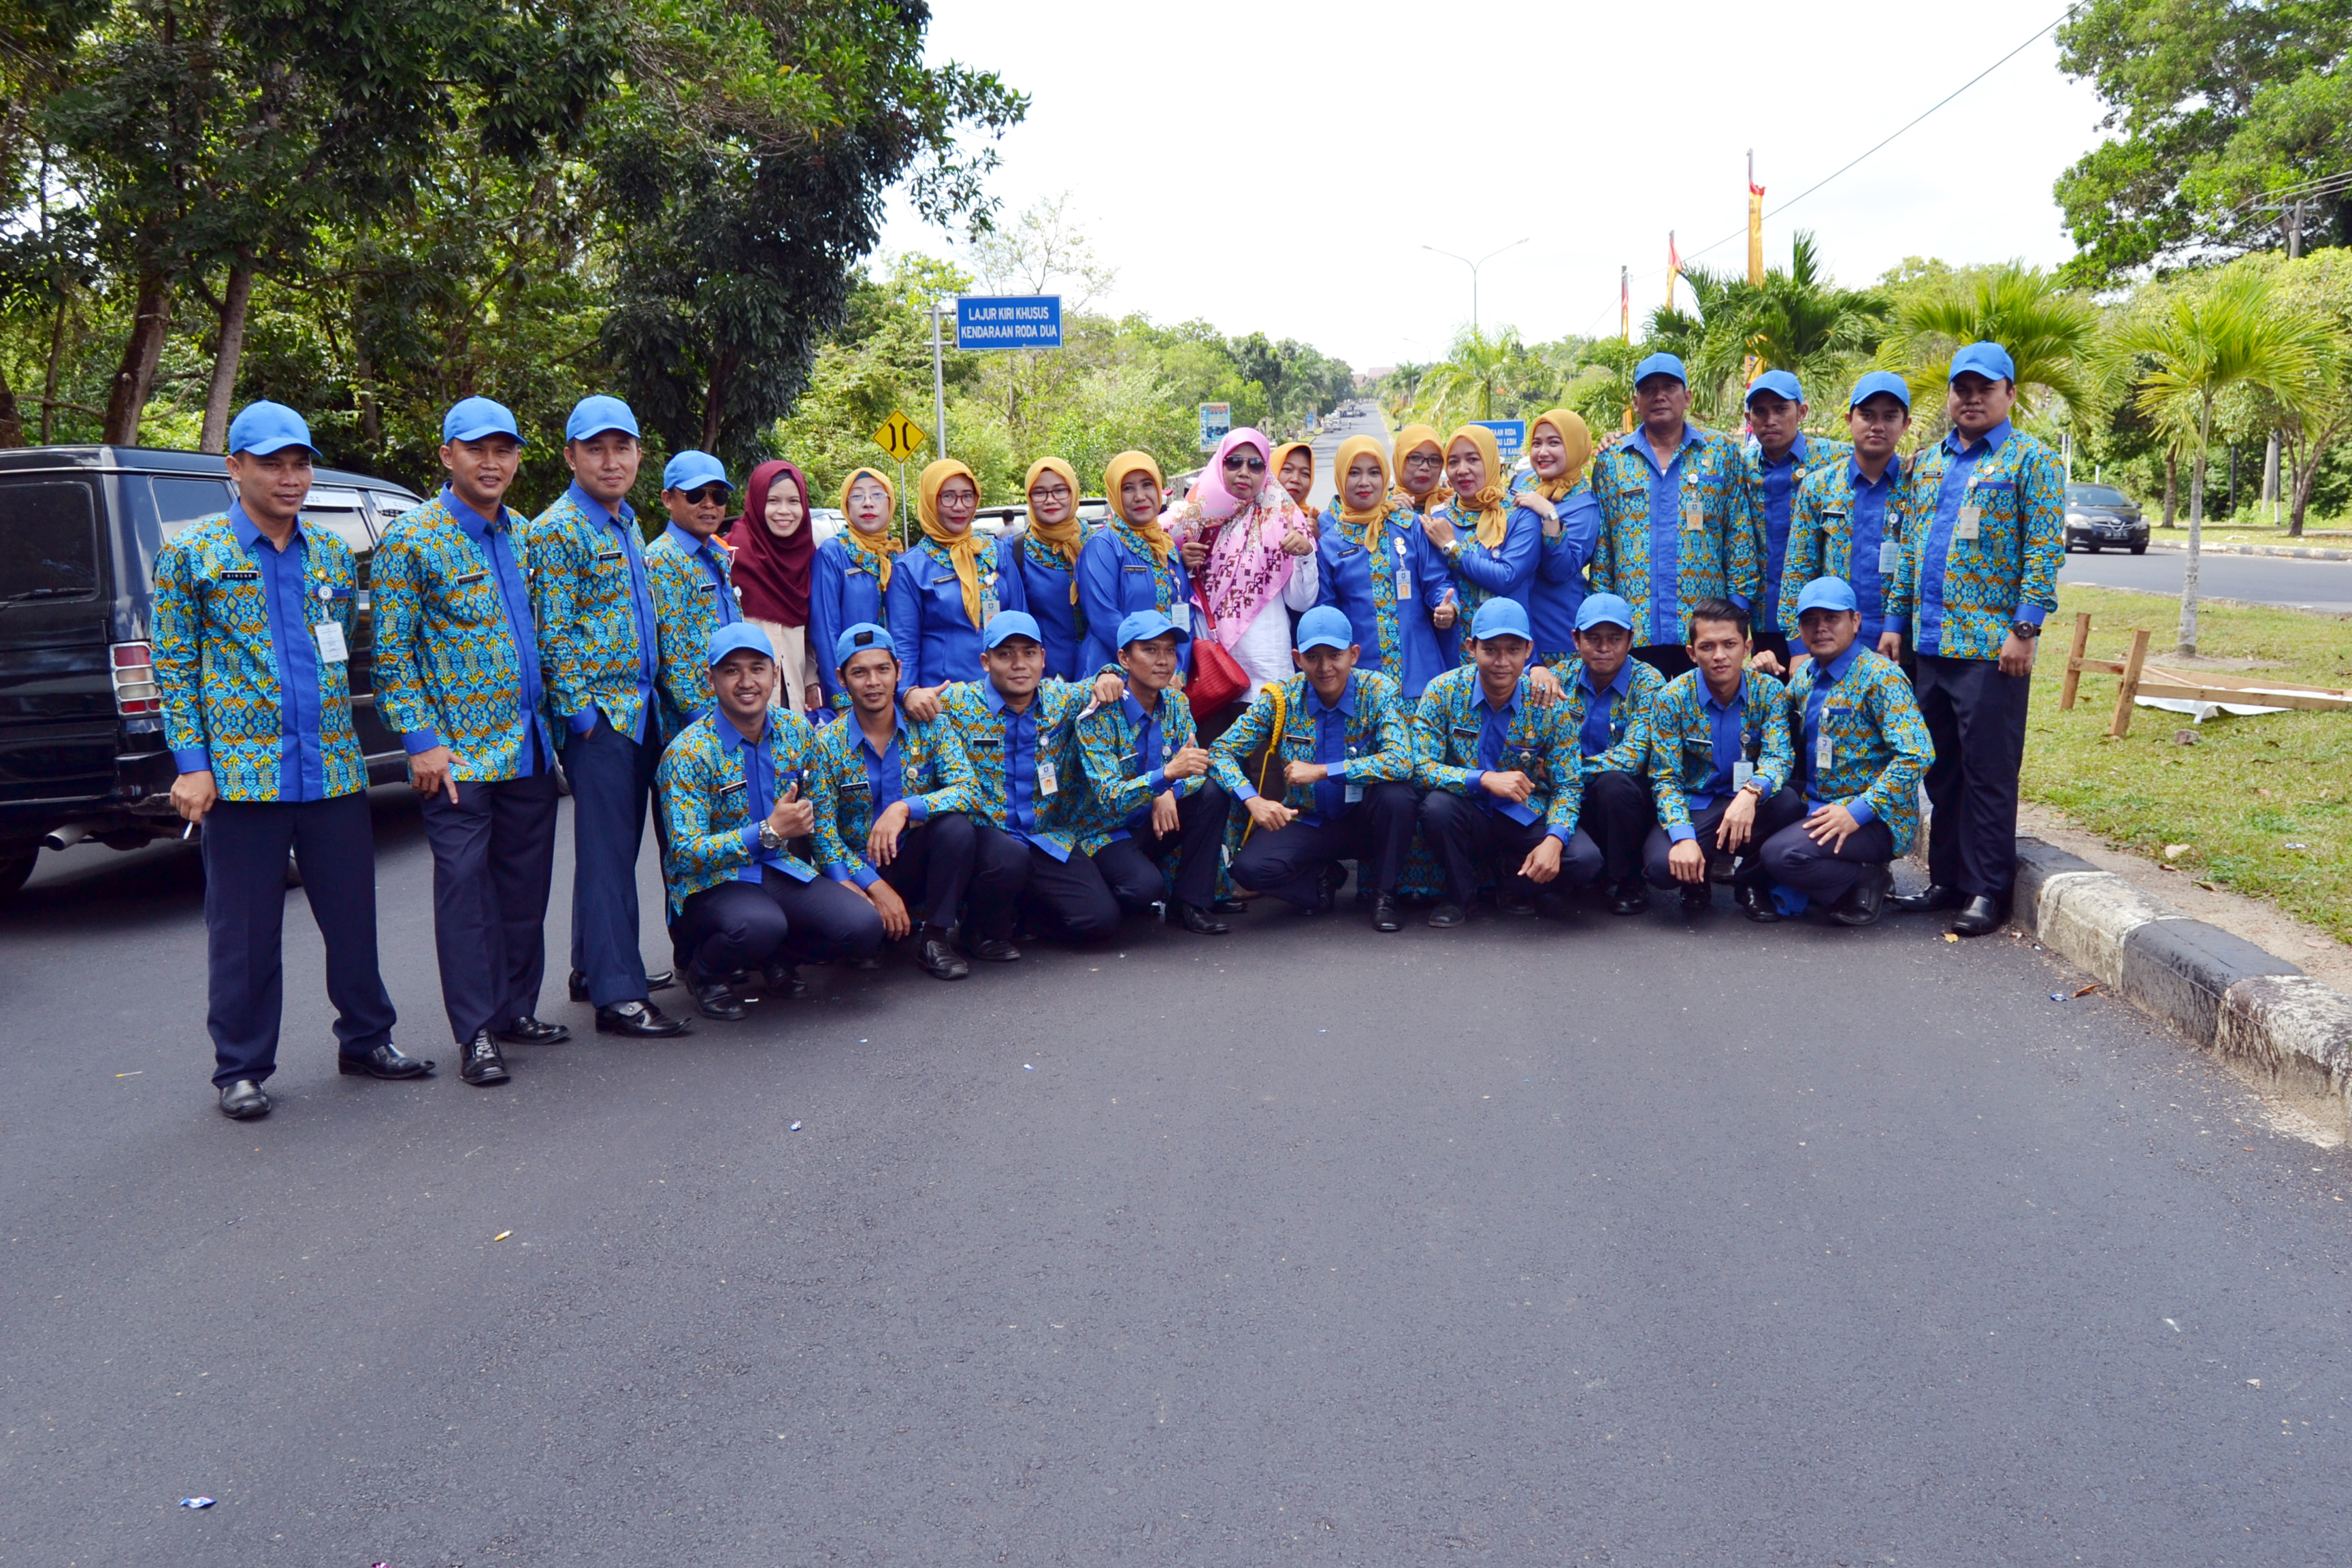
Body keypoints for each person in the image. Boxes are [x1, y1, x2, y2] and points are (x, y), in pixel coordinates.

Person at [154, 401, 421, 1119]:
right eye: (272, 462)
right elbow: (173, 668)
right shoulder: (193, 554)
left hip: (332, 766)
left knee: (352, 917)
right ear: (234, 468)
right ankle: (239, 1069)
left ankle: (367, 1039)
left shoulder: (332, 554)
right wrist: (192, 763)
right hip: (243, 778)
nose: (291, 476)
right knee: (243, 931)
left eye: (300, 462)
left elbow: (344, 640)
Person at [374, 395, 578, 1088]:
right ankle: (477, 1032)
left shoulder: (522, 532)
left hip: (526, 748)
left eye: (505, 451)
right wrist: (421, 741)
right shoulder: (412, 540)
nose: (492, 464)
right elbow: (393, 657)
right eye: (477, 450)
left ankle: (516, 1008)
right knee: (465, 891)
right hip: (456, 758)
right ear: (447, 456)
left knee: (524, 887)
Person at [1884, 341, 2065, 936]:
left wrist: (2025, 628)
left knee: (1989, 770)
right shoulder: (1928, 463)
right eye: (1962, 388)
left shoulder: (2030, 461)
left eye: (1985, 389)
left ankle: (1988, 889)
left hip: (1992, 650)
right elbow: (1910, 553)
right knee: (1941, 770)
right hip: (1929, 644)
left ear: (2010, 394)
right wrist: (1894, 625)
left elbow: (2043, 550)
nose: (1971, 398)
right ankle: (1947, 880)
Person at [530, 395, 687, 1036]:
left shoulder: (622, 523)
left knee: (612, 852)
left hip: (640, 709)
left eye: (622, 447)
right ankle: (619, 997)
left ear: (639, 455)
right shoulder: (559, 528)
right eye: (595, 449)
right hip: (603, 720)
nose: (611, 460)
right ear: (571, 457)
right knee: (604, 856)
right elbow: (553, 635)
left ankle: (593, 967)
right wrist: (583, 718)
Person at [658, 624, 886, 1020]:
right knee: (758, 924)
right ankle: (705, 973)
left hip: (779, 869)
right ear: (710, 679)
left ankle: (775, 958)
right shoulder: (687, 753)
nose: (747, 682)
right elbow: (683, 854)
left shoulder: (797, 732)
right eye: (731, 671)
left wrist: (850, 877)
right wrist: (767, 832)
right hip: (714, 881)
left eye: (757, 669)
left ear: (775, 674)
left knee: (863, 926)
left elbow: (822, 822)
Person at [932, 610, 1128, 955]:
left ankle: (1024, 916)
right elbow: (898, 706)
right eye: (1005, 654)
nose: (1019, 664)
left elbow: (1098, 681)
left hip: (1043, 838)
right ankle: (978, 932)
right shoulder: (958, 703)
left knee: (1100, 922)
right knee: (1006, 857)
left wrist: (1110, 673)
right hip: (987, 840)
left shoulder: (1060, 700)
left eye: (1029, 652)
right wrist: (907, 696)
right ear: (985, 661)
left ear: (1043, 658)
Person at [1213, 604, 1418, 930]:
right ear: (1297, 658)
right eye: (1313, 657)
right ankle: (1321, 878)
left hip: (1365, 820)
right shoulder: (1280, 699)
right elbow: (1220, 751)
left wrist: (1323, 771)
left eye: (1335, 655)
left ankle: (1384, 895)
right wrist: (1253, 800)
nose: (1325, 668)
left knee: (1398, 796)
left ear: (1353, 654)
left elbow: (1401, 760)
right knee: (1249, 870)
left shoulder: (1378, 690)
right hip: (1307, 820)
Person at [808, 622, 983, 981]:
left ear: (898, 672)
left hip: (913, 860)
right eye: (860, 672)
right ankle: (873, 927)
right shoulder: (825, 745)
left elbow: (968, 788)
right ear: (842, 678)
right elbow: (823, 837)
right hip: (857, 873)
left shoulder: (930, 724)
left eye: (882, 669)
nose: (873, 682)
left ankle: (934, 939)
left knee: (956, 829)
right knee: (852, 936)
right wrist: (873, 885)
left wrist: (904, 808)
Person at [1759, 578, 1935, 926]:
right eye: (1810, 620)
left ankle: (1869, 879)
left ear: (1855, 622)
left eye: (1832, 618)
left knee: (1781, 856)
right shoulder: (1806, 676)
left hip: (1872, 817)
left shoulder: (1881, 677)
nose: (1820, 628)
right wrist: (1756, 677)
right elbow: (1769, 717)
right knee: (1757, 814)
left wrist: (1858, 810)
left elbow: (1918, 755)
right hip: (1816, 803)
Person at [1410, 598, 1595, 927]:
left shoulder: (1548, 704)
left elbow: (1569, 783)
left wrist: (1554, 840)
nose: (1502, 661)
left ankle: (1511, 884)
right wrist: (1481, 779)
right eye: (1491, 650)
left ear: (1528, 651)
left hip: (1522, 816)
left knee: (1584, 859)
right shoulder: (1442, 691)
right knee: (1437, 808)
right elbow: (1420, 766)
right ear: (1471, 647)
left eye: (1513, 650)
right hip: (1467, 811)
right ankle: (1459, 896)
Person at [1588, 353, 1761, 680]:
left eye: (1669, 386)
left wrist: (1736, 618)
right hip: (1632, 630)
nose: (1660, 395)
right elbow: (1603, 551)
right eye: (1649, 389)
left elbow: (1739, 540)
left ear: (1688, 397)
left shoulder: (1721, 453)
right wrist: (1605, 623)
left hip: (1706, 636)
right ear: (1636, 402)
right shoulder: (1612, 461)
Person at [1068, 608, 1232, 934]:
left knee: (1213, 792)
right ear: (1123, 659)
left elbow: (1196, 769)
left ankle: (1189, 903)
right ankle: (1103, 892)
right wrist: (1164, 779)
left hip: (1153, 823)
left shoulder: (1177, 703)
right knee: (1142, 889)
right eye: (1150, 650)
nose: (1163, 661)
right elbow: (1107, 796)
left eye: (1170, 650)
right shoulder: (1099, 714)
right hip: (1106, 832)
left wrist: (1170, 791)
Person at [1639, 597, 1801, 921]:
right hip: (1696, 805)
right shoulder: (1671, 699)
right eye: (1707, 647)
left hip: (1747, 804)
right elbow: (1665, 777)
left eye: (1730, 644)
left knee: (1788, 803)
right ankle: (1695, 879)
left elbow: (1778, 756)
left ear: (1748, 647)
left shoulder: (1768, 692)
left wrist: (1751, 792)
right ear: (1691, 653)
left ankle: (1751, 884)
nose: (1719, 656)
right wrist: (1684, 839)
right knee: (1661, 867)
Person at [1776, 372, 1914, 653]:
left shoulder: (1918, 486)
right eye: (1867, 416)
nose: (1878, 426)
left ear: (1905, 425)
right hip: (1834, 647)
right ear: (1850, 420)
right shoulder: (1819, 486)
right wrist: (1797, 648)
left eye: (1890, 417)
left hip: (1901, 645)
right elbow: (1797, 571)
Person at [1175, 427, 1320, 696]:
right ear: (1220, 464)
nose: (1244, 471)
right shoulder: (1191, 522)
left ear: (1266, 471)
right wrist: (1182, 566)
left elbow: (1301, 602)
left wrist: (1305, 556)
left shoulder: (1284, 520)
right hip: (1210, 673)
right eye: (1234, 461)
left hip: (1266, 668)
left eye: (1255, 465)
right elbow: (1171, 593)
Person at [1315, 434, 1459, 700]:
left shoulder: (1409, 525)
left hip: (1419, 671)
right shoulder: (1330, 542)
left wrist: (1447, 606)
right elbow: (1327, 608)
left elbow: (1437, 583)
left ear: (1385, 477)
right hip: (1360, 677)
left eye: (1374, 472)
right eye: (1354, 473)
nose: (1364, 482)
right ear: (1340, 477)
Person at [1555, 593, 1669, 916]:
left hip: (1627, 799)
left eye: (1615, 638)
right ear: (1576, 639)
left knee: (1614, 785)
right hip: (1570, 792)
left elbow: (1633, 757)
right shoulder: (1558, 677)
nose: (1604, 647)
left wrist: (1565, 769)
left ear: (1631, 640)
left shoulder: (1649, 682)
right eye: (1593, 638)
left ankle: (1629, 879)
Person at [1740, 370, 1851, 673]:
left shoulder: (1836, 459)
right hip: (1765, 617)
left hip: (1822, 617)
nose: (1770, 420)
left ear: (1802, 411)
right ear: (1749, 417)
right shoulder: (1741, 467)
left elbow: (1879, 464)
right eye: (1760, 412)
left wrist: (1914, 460)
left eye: (1780, 409)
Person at [644, 448, 742, 745]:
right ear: (667, 499)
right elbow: (671, 657)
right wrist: (701, 722)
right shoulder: (663, 558)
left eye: (719, 496)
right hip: (692, 728)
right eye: (696, 494)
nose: (709, 504)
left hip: (731, 712)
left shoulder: (717, 553)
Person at [889, 457, 1000, 703]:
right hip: (942, 698)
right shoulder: (910, 568)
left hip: (1003, 693)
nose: (959, 506)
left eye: (967, 496)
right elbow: (904, 642)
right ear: (930, 501)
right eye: (948, 496)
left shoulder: (994, 553)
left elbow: (1020, 622)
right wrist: (907, 692)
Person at [1423, 423, 1539, 646]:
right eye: (1454, 462)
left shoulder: (1519, 517)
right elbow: (1435, 579)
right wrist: (1447, 606)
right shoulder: (1440, 519)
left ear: (1491, 461)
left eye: (1473, 459)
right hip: (1456, 648)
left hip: (1510, 649)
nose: (1462, 470)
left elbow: (1507, 578)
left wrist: (1452, 548)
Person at [1076, 451, 1192, 674]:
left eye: (1147, 485)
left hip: (1166, 678)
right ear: (1115, 495)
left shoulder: (1167, 548)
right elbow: (1105, 618)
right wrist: (1150, 667)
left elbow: (1184, 615)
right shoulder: (1104, 546)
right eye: (1128, 488)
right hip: (1112, 676)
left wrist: (1178, 669)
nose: (1140, 496)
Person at [726, 458, 821, 714]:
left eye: (793, 501)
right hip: (742, 705)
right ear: (757, 502)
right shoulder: (730, 555)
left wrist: (811, 681)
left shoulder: (809, 559)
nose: (784, 511)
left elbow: (808, 638)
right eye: (772, 501)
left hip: (793, 702)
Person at [1516, 409, 1603, 674]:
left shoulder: (1584, 505)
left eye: (1555, 442)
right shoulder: (1524, 482)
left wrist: (1550, 515)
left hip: (1556, 629)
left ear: (1575, 446)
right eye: (1537, 443)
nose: (1543, 452)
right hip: (1516, 621)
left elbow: (1560, 571)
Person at [809, 466, 900, 717]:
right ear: (846, 506)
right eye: (857, 496)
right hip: (853, 684)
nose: (868, 503)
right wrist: (840, 696)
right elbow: (825, 630)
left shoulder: (896, 554)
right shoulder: (833, 553)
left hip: (892, 682)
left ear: (890, 503)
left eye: (877, 495)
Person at [998, 456, 1090, 679]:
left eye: (1060, 490)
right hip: (1045, 677)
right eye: (1040, 493)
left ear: (1074, 492)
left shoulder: (1098, 544)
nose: (1050, 500)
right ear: (1029, 498)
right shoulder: (1014, 550)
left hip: (1103, 672)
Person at [1390, 423, 1450, 517]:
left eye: (1434, 459)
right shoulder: (1379, 509)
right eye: (1415, 458)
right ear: (1399, 460)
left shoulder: (1452, 506)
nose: (1425, 467)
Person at [1272, 440, 1320, 525]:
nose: (1296, 479)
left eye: (1305, 474)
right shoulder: (1252, 517)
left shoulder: (1316, 522)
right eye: (1287, 469)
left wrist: (1315, 537)